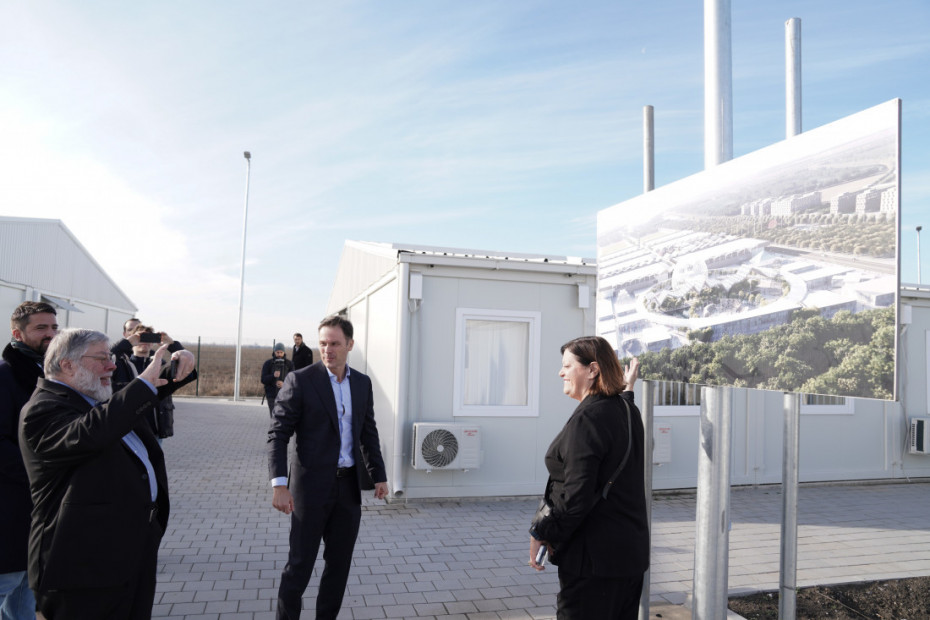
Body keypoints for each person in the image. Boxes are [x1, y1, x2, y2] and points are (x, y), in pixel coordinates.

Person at [18, 328, 195, 619]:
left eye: (111, 358)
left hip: (126, 555)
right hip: (82, 571)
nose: (112, 366)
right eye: (102, 359)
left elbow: (133, 400)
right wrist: (141, 385)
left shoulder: (93, 396)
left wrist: (180, 358)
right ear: (67, 365)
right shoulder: (43, 409)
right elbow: (94, 430)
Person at [268, 315, 388, 619]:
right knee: (299, 567)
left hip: (347, 490)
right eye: (322, 343)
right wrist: (279, 484)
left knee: (339, 566)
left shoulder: (362, 383)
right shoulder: (301, 380)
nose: (327, 350)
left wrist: (379, 476)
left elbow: (368, 432)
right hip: (310, 490)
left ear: (350, 344)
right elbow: (278, 433)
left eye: (334, 343)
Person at [528, 336, 649, 620]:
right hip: (628, 557)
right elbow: (623, 401)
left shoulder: (588, 419)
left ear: (593, 369)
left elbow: (576, 496)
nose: (561, 373)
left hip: (593, 562)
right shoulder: (628, 411)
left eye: (567, 366)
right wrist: (628, 386)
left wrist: (542, 533)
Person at [0, 301, 58, 619]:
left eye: (54, 327)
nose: (51, 334)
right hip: (11, 503)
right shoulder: (5, 375)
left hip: (38, 507)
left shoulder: (47, 373)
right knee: (8, 581)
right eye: (41, 328)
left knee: (25, 589)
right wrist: (39, 473)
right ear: (17, 334)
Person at [112, 324, 187, 441]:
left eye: (148, 338)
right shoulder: (120, 364)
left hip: (154, 430)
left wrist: (171, 344)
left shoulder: (161, 365)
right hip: (127, 431)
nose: (145, 342)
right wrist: (127, 343)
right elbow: (107, 357)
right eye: (141, 337)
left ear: (153, 342)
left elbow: (186, 365)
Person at [261, 342, 294, 416]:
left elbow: (293, 380)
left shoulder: (289, 364)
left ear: (284, 352)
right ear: (274, 352)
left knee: (284, 416)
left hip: (285, 395)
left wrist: (284, 384)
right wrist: (273, 376)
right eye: (277, 352)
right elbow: (263, 379)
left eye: (281, 352)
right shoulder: (268, 363)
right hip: (271, 395)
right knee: (274, 416)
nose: (279, 354)